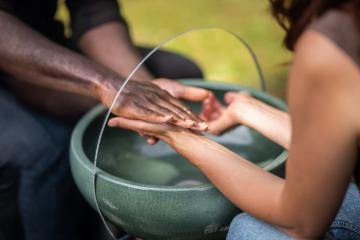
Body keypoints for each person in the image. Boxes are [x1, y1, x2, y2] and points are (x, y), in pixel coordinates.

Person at [108, 0, 360, 239]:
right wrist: (250, 111)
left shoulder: (335, 42)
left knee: (251, 231)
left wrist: (180, 136)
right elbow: (340, 149)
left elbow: (301, 222)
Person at [0, 0, 210, 239]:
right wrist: (107, 84)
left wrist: (143, 86)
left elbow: (93, 11)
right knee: (39, 147)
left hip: (40, 40)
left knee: (180, 71)